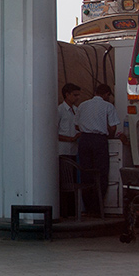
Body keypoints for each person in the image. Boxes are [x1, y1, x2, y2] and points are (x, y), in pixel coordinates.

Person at [75, 83, 124, 203]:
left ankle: (87, 205)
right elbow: (113, 128)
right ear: (106, 94)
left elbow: (76, 125)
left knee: (85, 173)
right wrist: (110, 137)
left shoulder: (82, 105)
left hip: (84, 140)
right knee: (101, 173)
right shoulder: (108, 106)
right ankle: (98, 206)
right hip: (99, 141)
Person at [58, 83, 81, 216]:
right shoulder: (60, 110)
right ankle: (64, 211)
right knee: (64, 183)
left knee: (73, 181)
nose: (77, 98)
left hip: (74, 152)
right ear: (67, 95)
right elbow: (52, 132)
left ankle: (72, 211)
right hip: (63, 151)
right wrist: (70, 139)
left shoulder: (76, 110)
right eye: (75, 95)